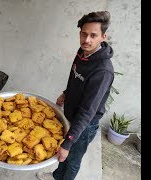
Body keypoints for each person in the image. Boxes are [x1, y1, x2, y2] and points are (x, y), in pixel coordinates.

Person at [37, 11, 114, 180]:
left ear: (103, 37)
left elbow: (87, 112)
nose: (87, 40)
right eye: (84, 34)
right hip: (72, 115)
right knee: (62, 153)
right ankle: (57, 176)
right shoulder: (82, 53)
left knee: (71, 159)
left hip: (85, 124)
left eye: (93, 35)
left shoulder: (102, 71)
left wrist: (69, 142)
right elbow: (75, 77)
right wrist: (66, 93)